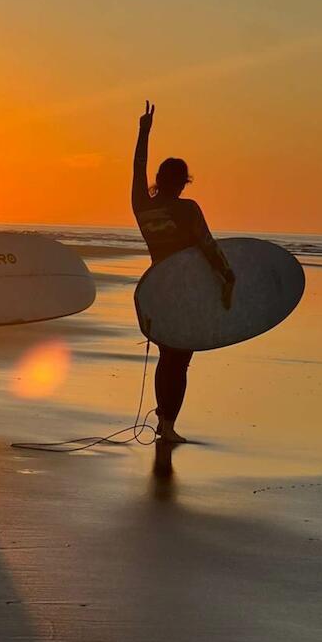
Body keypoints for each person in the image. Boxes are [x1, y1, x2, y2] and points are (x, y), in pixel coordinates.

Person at [132, 101, 235, 443]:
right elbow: (208, 246)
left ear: (159, 180)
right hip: (185, 293)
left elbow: (137, 170)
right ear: (181, 182)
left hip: (156, 290)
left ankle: (164, 422)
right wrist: (227, 276)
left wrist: (143, 132)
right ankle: (168, 425)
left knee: (166, 357)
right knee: (180, 361)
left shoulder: (142, 206)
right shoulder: (188, 209)